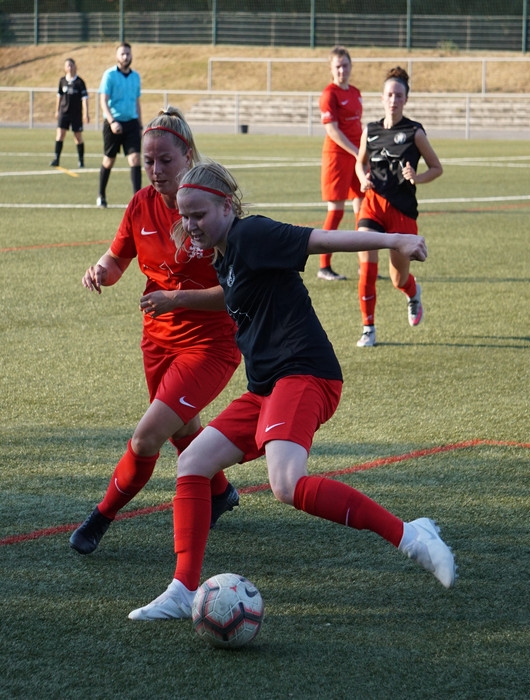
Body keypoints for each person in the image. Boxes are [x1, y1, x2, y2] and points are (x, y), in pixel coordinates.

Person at [127, 161, 456, 621]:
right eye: (185, 215)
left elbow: (322, 239)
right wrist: (179, 298)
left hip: (305, 374)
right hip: (266, 387)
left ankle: (412, 537)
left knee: (285, 484)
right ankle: (183, 590)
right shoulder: (224, 251)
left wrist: (393, 240)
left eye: (199, 214)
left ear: (227, 206)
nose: (190, 225)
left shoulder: (252, 235)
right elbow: (234, 292)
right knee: (193, 462)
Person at [71, 108, 243, 556]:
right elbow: (117, 259)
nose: (155, 170)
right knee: (180, 423)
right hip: (157, 338)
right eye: (148, 161)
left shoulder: (209, 206)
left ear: (187, 155)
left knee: (148, 434)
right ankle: (220, 491)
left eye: (165, 160)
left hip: (210, 345)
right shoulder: (139, 204)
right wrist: (100, 273)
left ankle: (100, 518)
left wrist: (177, 299)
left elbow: (236, 289)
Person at [354, 66, 443, 348]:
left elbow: (437, 168)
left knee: (397, 278)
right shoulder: (370, 130)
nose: (394, 99)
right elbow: (360, 162)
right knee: (366, 266)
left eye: (399, 95)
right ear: (382, 97)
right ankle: (368, 328)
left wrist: (417, 177)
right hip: (373, 206)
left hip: (402, 210)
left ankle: (413, 292)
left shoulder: (415, 132)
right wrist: (362, 178)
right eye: (389, 94)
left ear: (405, 99)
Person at [317, 46, 363, 282]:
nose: (342, 70)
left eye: (345, 65)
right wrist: (357, 152)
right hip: (338, 156)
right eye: (337, 66)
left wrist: (364, 152)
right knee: (335, 211)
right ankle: (324, 266)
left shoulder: (355, 92)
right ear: (331, 69)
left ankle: (364, 264)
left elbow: (358, 126)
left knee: (363, 209)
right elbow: (332, 130)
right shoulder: (329, 94)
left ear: (351, 66)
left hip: (357, 157)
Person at [96, 42, 142, 208]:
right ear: (117, 56)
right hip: (113, 124)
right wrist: (112, 121)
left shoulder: (136, 76)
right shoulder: (109, 75)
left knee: (135, 159)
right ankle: (101, 195)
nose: (125, 57)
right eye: (122, 54)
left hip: (131, 123)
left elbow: (137, 101)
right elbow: (103, 101)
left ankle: (137, 200)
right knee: (109, 161)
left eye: (128, 54)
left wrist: (140, 124)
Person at [50, 58, 90, 169]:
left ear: (75, 66)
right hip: (64, 113)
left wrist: (86, 113)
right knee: (60, 135)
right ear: (65, 68)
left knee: (78, 137)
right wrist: (57, 110)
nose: (70, 67)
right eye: (67, 65)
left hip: (76, 114)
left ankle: (81, 161)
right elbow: (59, 96)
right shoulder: (62, 81)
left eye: (71, 65)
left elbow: (85, 99)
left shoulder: (80, 82)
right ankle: (56, 158)